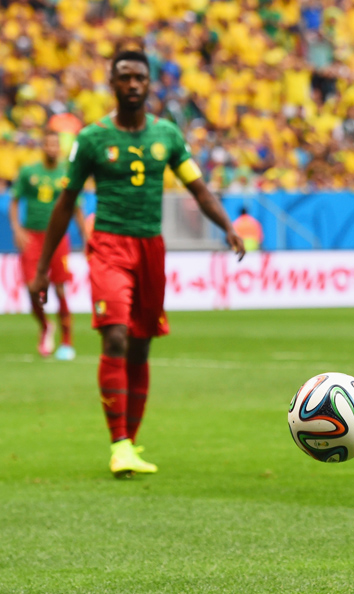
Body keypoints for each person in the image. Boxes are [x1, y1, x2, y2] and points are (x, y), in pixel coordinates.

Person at [29, 50, 245, 478]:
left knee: (142, 343)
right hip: (108, 244)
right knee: (115, 338)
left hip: (151, 248)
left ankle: (130, 439)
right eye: (124, 77)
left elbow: (198, 189)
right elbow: (65, 202)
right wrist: (39, 270)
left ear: (149, 84)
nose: (132, 84)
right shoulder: (92, 139)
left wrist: (227, 226)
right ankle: (119, 444)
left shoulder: (166, 135)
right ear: (112, 82)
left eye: (139, 78)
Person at [8, 129, 86, 359]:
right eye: (48, 144)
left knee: (60, 288)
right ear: (43, 147)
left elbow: (76, 206)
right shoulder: (29, 172)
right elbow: (14, 202)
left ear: (59, 148)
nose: (52, 148)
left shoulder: (67, 172)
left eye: (55, 145)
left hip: (58, 237)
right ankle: (45, 326)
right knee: (33, 288)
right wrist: (17, 228)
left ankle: (67, 340)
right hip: (33, 237)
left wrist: (85, 235)